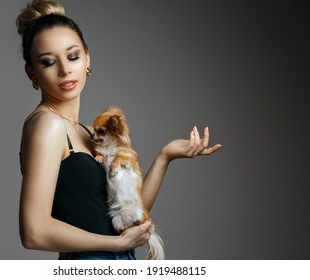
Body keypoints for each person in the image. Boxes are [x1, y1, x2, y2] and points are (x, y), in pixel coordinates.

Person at [17, 0, 221, 260]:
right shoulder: (47, 126)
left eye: (73, 56)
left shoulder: (89, 132)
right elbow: (33, 231)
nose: (65, 69)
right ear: (31, 73)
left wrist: (164, 157)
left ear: (87, 58)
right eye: (48, 62)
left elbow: (129, 214)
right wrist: (115, 244)